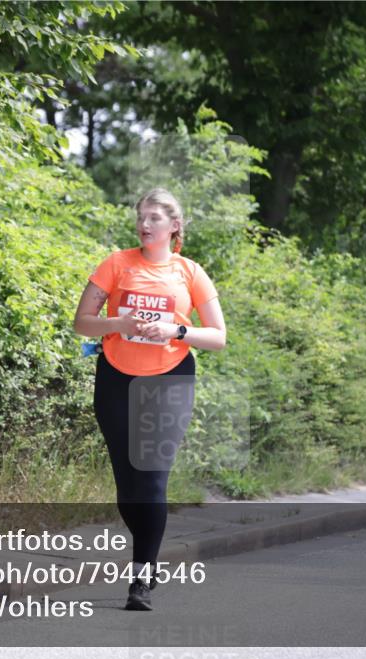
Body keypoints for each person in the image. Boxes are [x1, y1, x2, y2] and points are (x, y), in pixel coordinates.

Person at [73, 188, 227, 611]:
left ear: (174, 226)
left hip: (170, 380)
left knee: (153, 478)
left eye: (155, 218)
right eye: (141, 217)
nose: (145, 225)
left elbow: (218, 337)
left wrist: (177, 332)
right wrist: (117, 321)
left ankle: (141, 576)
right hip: (116, 378)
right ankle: (149, 553)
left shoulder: (190, 272)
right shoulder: (116, 264)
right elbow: (81, 324)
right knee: (128, 489)